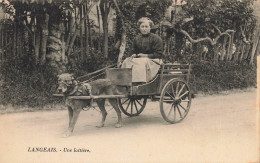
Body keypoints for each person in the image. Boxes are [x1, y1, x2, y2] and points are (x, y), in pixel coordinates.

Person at [121, 17, 163, 83]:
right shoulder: (137, 38)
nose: (144, 29)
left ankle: (140, 82)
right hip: (139, 59)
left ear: (150, 27)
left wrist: (145, 56)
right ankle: (126, 82)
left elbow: (158, 54)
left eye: (146, 27)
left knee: (142, 62)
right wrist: (134, 54)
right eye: (142, 27)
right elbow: (134, 50)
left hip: (154, 60)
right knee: (127, 61)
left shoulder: (156, 38)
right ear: (139, 28)